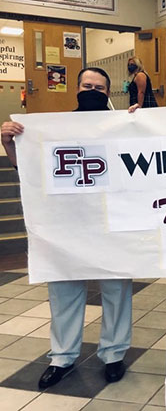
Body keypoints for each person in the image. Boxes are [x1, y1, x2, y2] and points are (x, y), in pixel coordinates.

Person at [1, 68, 133, 389]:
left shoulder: (122, 126)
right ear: (76, 88)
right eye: (87, 85)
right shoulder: (54, 128)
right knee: (64, 291)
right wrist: (9, 142)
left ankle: (114, 354)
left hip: (111, 221)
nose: (92, 91)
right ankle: (62, 356)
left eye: (100, 88)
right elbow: (27, 168)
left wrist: (139, 124)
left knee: (116, 290)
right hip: (67, 224)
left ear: (109, 93)